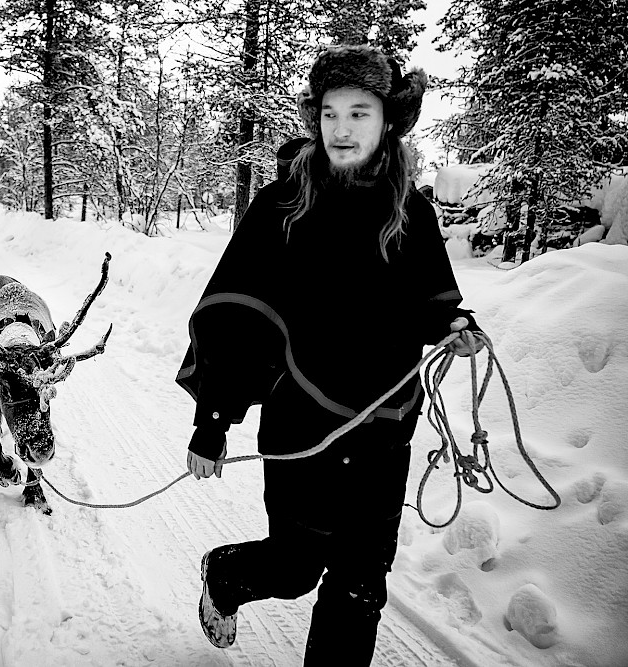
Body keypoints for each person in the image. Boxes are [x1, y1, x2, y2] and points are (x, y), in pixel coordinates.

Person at [176, 45, 485, 664]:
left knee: (360, 582)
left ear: (388, 120)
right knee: (295, 568)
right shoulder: (282, 206)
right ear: (315, 118)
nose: (342, 130)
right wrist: (212, 421)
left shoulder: (412, 211)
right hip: (303, 423)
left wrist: (454, 323)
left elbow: (429, 299)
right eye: (330, 114)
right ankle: (229, 575)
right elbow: (237, 319)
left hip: (386, 427)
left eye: (359, 113)